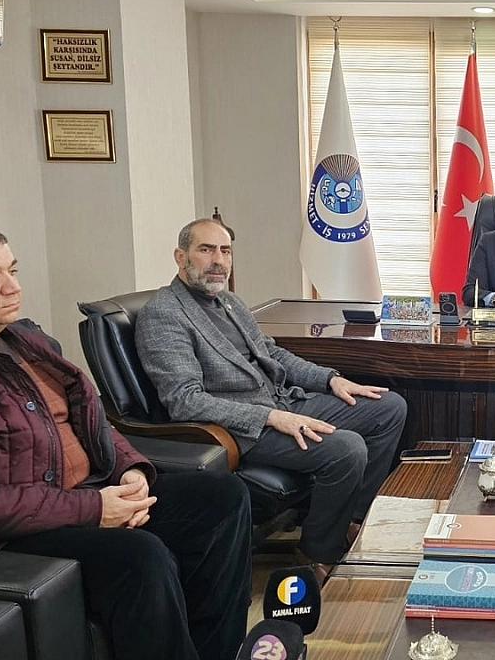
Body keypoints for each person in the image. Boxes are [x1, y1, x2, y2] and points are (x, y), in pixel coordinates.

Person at [0, 225, 252, 660]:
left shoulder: (24, 340)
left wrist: (129, 467)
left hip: (82, 493)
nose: (12, 287)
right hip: (4, 532)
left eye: (12, 271)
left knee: (221, 497)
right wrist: (92, 509)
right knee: (140, 557)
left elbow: (91, 418)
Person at [135, 218, 406, 584]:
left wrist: (331, 379)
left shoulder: (229, 301)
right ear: (180, 257)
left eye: (225, 251)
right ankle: (317, 553)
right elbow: (185, 401)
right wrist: (270, 417)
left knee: (389, 408)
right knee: (347, 449)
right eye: (206, 250)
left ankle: (351, 522)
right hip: (241, 428)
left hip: (282, 402)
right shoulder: (163, 314)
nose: (218, 261)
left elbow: (273, 354)